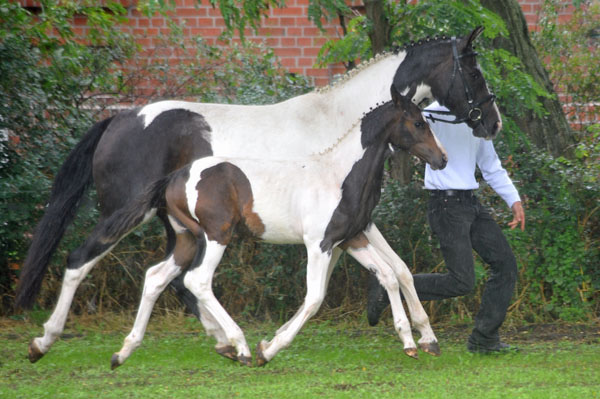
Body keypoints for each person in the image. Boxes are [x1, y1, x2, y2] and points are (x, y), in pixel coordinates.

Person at [367, 101, 525, 353]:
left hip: (471, 203)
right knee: (462, 281)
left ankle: (484, 340)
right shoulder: (430, 116)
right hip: (445, 205)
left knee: (505, 265)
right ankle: (388, 287)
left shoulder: (477, 119)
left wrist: (513, 199)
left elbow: (491, 165)